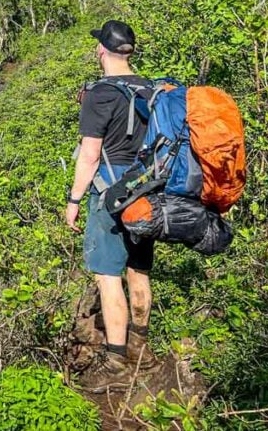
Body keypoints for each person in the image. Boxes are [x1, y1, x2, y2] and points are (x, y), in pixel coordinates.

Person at [66, 20, 159, 392]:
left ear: (101, 50)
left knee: (108, 276)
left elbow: (89, 156)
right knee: (139, 269)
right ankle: (140, 347)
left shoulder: (100, 94)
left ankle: (116, 360)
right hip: (148, 190)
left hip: (110, 191)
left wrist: (73, 200)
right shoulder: (151, 90)